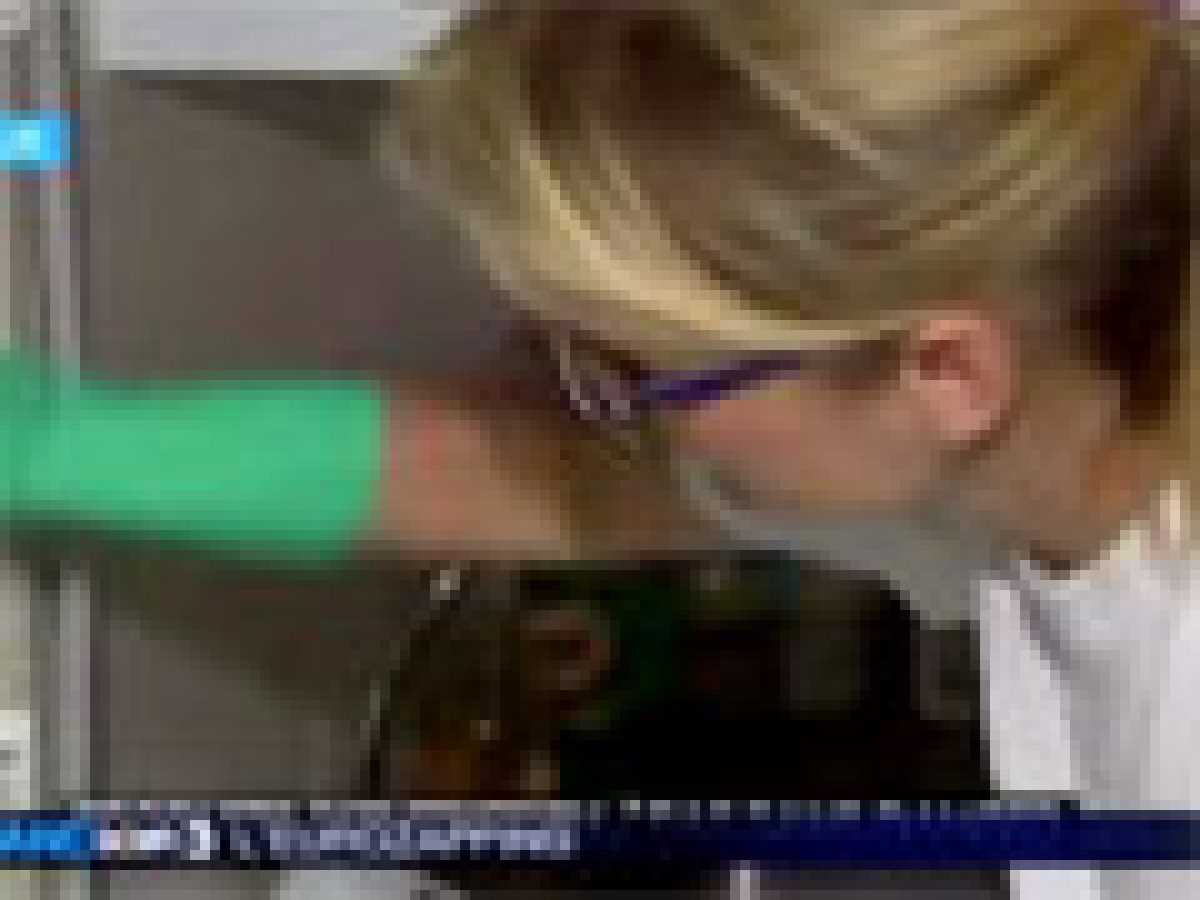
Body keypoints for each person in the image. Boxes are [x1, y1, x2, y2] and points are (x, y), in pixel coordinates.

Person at [1, 1, 1194, 897]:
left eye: (639, 369)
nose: (600, 404)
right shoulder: (1035, 411)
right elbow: (552, 477)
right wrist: (63, 447)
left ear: (947, 373)